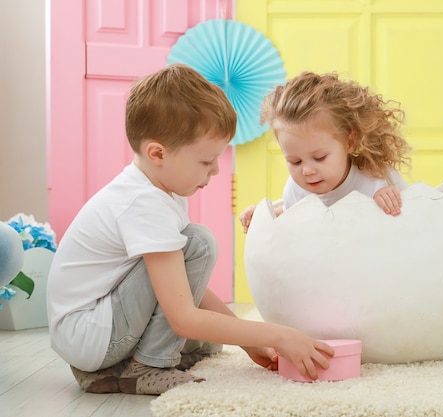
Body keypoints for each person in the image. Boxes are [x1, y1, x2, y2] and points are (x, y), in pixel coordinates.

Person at [46, 63, 333, 396]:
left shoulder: (158, 191)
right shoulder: (144, 204)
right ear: (158, 153)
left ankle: (114, 371)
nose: (214, 171)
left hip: (94, 333)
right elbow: (181, 315)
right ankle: (148, 366)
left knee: (208, 343)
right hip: (91, 335)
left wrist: (245, 341)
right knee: (199, 243)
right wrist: (278, 335)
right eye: (205, 160)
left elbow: (178, 288)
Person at [239, 71, 411, 233]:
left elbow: (417, 218)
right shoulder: (295, 189)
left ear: (349, 142)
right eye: (295, 161)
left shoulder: (377, 178)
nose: (307, 171)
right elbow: (292, 222)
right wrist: (264, 217)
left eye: (319, 158)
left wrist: (390, 201)